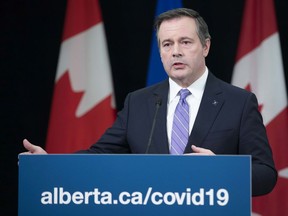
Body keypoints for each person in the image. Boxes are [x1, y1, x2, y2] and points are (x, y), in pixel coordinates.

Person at [21, 8, 277, 196]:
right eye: (167, 44)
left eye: (185, 42)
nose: (175, 51)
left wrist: (222, 171)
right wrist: (51, 162)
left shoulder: (239, 102)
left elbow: (266, 175)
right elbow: (98, 157)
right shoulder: (140, 103)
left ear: (206, 46)